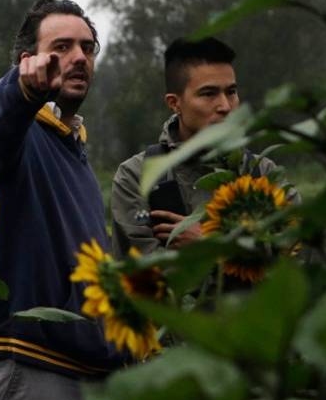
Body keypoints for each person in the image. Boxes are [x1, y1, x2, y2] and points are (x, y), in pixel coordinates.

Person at [0, 0, 124, 400]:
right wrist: (22, 90)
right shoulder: (10, 124)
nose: (78, 57)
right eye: (60, 47)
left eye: (86, 47)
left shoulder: (73, 146)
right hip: (28, 367)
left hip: (88, 368)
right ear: (27, 60)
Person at [110, 37, 286, 259]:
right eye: (208, 94)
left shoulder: (263, 172)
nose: (225, 106)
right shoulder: (136, 177)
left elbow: (296, 256)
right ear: (175, 103)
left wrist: (212, 244)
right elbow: (142, 275)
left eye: (231, 92)